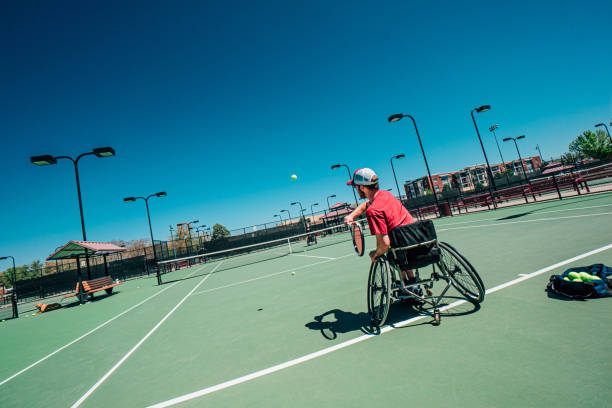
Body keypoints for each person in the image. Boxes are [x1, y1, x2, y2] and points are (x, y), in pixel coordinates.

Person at [343, 168, 421, 292]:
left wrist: (376, 254)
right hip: (419, 239)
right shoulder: (386, 194)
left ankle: (408, 286)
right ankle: (411, 282)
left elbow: (384, 244)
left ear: (361, 187)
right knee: (398, 245)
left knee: (389, 252)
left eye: (355, 187)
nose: (355, 190)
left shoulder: (373, 210)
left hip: (402, 247)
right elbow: (366, 204)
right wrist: (352, 215)